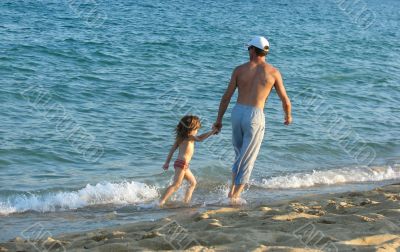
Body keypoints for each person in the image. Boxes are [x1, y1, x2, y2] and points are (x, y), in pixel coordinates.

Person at [213, 36, 292, 203]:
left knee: (238, 154)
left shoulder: (239, 70)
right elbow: (285, 99)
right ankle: (235, 196)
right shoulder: (273, 72)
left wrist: (219, 120)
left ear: (253, 50)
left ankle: (230, 192)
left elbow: (226, 96)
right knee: (248, 157)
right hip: (255, 115)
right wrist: (288, 115)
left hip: (237, 112)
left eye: (249, 48)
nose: (248, 50)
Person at [159, 115, 216, 207]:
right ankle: (160, 202)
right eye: (196, 129)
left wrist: (167, 162)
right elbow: (201, 138)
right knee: (176, 185)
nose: (197, 132)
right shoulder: (189, 137)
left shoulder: (180, 138)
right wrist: (212, 131)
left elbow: (172, 150)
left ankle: (186, 202)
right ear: (191, 129)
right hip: (182, 163)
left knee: (193, 183)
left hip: (181, 164)